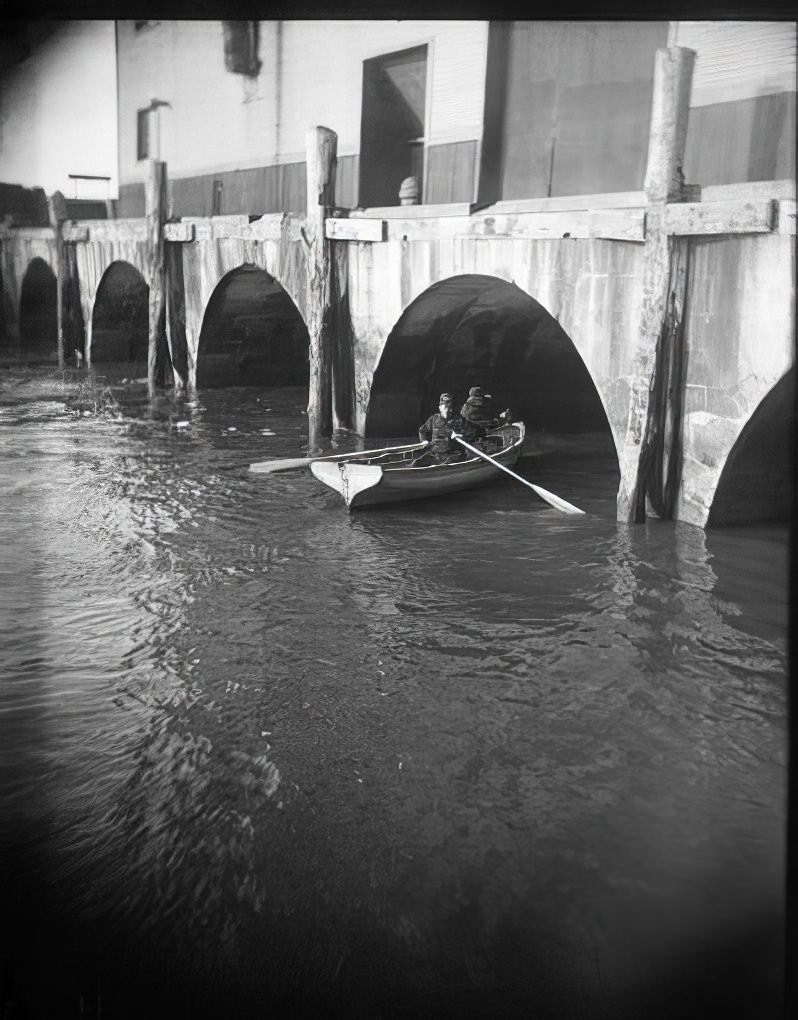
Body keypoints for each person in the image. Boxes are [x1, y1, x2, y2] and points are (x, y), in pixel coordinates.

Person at [415, 393, 466, 465]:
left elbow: (464, 435)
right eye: (443, 405)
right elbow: (422, 430)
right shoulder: (434, 418)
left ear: (451, 408)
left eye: (448, 406)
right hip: (435, 453)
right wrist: (424, 441)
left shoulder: (457, 420)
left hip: (451, 453)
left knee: (446, 464)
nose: (446, 408)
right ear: (440, 407)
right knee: (416, 463)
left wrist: (458, 435)